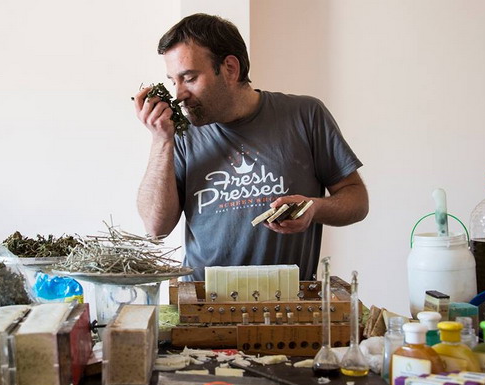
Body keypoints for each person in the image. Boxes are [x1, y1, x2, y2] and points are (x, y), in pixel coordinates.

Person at [133, 13, 368, 281]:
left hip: (288, 299)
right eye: (174, 81)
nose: (179, 94)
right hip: (202, 299)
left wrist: (314, 208)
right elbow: (156, 228)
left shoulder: (305, 115)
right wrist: (161, 140)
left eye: (189, 78)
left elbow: (357, 200)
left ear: (230, 68)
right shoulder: (179, 133)